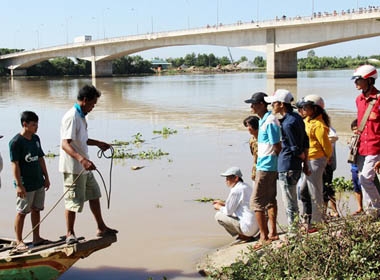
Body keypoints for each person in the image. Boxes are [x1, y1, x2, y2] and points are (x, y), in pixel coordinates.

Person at [59, 84, 117, 245]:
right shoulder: (72, 117)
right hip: (74, 168)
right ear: (85, 100)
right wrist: (82, 160)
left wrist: (98, 143)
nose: (93, 107)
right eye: (92, 104)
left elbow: (81, 139)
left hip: (84, 166)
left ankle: (101, 227)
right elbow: (65, 144)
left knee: (94, 194)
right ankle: (70, 233)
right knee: (72, 201)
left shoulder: (81, 116)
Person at [264, 89, 309, 230]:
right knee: (293, 199)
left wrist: (301, 155)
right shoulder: (296, 118)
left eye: (274, 103)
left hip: (287, 164)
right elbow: (305, 140)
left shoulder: (288, 123)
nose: (272, 106)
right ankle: (296, 229)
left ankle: (293, 232)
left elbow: (294, 146)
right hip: (294, 165)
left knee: (289, 202)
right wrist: (305, 160)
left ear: (281, 104)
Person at [9, 111, 51, 251]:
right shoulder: (16, 142)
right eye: (33, 124)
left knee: (37, 210)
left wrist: (46, 177)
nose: (36, 127)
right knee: (22, 212)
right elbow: (15, 164)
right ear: (24, 124)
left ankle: (36, 238)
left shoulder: (35, 139)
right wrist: (19, 185)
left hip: (38, 181)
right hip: (25, 184)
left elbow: (40, 158)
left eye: (37, 124)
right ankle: (19, 240)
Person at [245, 92, 281, 247]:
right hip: (267, 165)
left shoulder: (270, 121)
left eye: (253, 104)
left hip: (266, 166)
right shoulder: (263, 121)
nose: (251, 107)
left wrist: (271, 162)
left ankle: (264, 237)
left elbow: (277, 145)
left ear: (261, 104)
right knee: (270, 199)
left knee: (256, 202)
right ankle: (272, 233)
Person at [352, 65, 380, 214]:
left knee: (365, 179)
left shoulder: (379, 99)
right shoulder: (359, 99)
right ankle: (371, 213)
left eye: (359, 79)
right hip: (362, 147)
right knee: (363, 182)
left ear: (369, 80)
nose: (356, 82)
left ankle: (377, 208)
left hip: (376, 147)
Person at [301, 95, 332, 224]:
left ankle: (317, 221)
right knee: (303, 190)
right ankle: (308, 218)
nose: (303, 109)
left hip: (316, 159)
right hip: (308, 159)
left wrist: (326, 159)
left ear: (314, 109)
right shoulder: (308, 120)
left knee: (315, 192)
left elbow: (326, 145)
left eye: (306, 107)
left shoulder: (319, 125)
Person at [213, 167, 259, 243]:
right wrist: (223, 203)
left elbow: (228, 212)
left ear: (236, 178)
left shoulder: (236, 190)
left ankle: (244, 236)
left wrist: (219, 207)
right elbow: (241, 204)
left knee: (218, 215)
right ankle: (244, 234)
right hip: (255, 227)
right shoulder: (246, 186)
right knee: (228, 212)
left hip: (248, 229)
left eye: (228, 178)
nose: (226, 181)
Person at [323, 127, 339, 218]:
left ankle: (326, 213)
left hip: (327, 164)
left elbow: (334, 137)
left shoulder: (328, 129)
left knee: (326, 189)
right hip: (325, 163)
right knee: (328, 189)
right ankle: (333, 211)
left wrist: (327, 156)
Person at [349, 119, 363, 215]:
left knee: (364, 186)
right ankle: (360, 207)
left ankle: (367, 207)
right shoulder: (352, 139)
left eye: (356, 129)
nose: (355, 131)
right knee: (356, 187)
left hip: (361, 166)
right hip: (354, 166)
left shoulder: (363, 140)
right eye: (353, 129)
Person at [243, 116, 260, 182]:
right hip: (256, 168)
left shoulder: (264, 139)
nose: (248, 128)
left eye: (248, 126)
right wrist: (254, 170)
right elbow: (254, 156)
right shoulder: (251, 140)